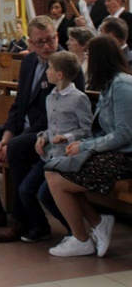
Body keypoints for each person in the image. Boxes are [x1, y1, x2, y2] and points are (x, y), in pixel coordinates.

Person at [0, 16, 84, 242]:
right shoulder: (28, 62)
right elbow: (19, 105)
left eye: (51, 39)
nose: (47, 46)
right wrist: (5, 136)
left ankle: (22, 220)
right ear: (31, 44)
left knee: (16, 148)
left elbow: (57, 116)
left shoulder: (66, 64)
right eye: (40, 42)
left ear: (57, 37)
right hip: (20, 129)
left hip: (49, 135)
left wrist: (12, 142)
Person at [46, 35, 132, 258]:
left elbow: (124, 133)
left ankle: (83, 238)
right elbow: (105, 130)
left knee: (57, 177)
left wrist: (85, 146)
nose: (87, 60)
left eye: (90, 56)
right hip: (114, 152)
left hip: (125, 156)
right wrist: (83, 143)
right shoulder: (110, 84)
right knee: (55, 170)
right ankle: (94, 225)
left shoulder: (122, 85)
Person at [18, 51, 92, 243]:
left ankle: (75, 232)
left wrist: (66, 137)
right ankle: (41, 227)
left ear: (59, 75)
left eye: (49, 69)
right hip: (50, 155)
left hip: (67, 156)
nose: (46, 72)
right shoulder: (51, 96)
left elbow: (87, 130)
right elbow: (51, 126)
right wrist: (42, 137)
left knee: (46, 194)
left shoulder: (78, 98)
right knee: (25, 189)